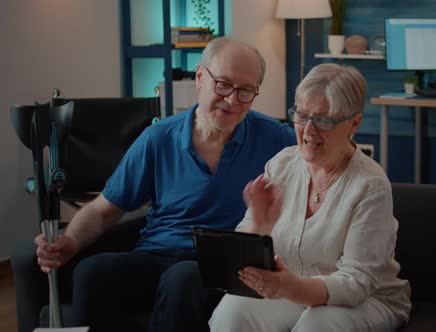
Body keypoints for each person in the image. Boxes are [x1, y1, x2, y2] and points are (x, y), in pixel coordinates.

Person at [27, 37, 296, 332]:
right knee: (92, 272)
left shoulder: (276, 139)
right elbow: (105, 209)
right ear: (200, 77)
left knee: (182, 278)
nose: (232, 100)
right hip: (156, 254)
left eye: (245, 91)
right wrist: (69, 241)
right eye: (223, 84)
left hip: (224, 266)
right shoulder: (158, 138)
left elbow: (328, 159)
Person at [209, 63, 411, 332]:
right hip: (292, 289)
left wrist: (290, 287)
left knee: (318, 325)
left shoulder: (369, 185)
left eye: (324, 120)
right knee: (231, 312)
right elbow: (244, 264)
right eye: (302, 116)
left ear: (354, 123)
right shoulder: (281, 164)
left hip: (368, 300)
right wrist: (258, 225)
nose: (308, 131)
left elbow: (357, 282)